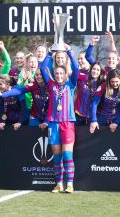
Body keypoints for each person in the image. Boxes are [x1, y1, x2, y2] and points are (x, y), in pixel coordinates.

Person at [40, 44, 78, 193]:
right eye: (57, 74)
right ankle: (59, 184)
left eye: (62, 74)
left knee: (68, 154)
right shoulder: (51, 85)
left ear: (65, 74)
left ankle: (70, 184)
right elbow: (43, 68)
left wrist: (69, 53)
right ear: (54, 75)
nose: (59, 76)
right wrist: (50, 53)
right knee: (57, 155)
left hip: (67, 123)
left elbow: (76, 68)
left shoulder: (71, 84)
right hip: (53, 124)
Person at [89, 69, 120, 133]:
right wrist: (94, 120)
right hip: (102, 117)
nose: (115, 84)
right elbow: (95, 103)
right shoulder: (103, 86)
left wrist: (116, 122)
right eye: (112, 82)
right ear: (108, 81)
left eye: (117, 81)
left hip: (116, 118)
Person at [75, 62, 105, 126]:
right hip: (78, 115)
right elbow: (73, 74)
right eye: (94, 69)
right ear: (91, 69)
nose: (95, 71)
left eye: (98, 70)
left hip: (91, 117)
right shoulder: (84, 77)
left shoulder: (102, 84)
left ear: (100, 72)